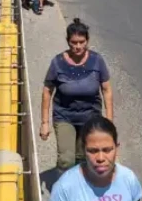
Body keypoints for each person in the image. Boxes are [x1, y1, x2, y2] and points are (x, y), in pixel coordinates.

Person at [41, 19, 113, 175]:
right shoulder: (58, 63)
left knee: (84, 158)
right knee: (66, 160)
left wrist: (109, 120)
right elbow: (47, 90)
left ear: (87, 41)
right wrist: (45, 123)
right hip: (64, 116)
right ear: (68, 41)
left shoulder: (97, 61)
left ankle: (82, 190)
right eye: (74, 42)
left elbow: (106, 89)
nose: (78, 46)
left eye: (82, 42)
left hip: (90, 116)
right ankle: (65, 191)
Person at [48, 116, 142, 201]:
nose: (100, 158)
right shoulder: (65, 187)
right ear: (84, 150)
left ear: (117, 148)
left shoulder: (128, 179)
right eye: (93, 151)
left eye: (107, 150)